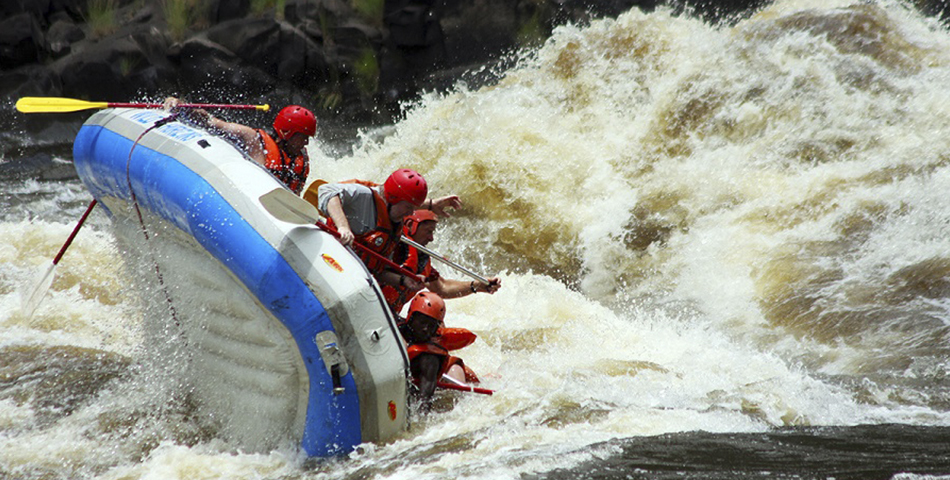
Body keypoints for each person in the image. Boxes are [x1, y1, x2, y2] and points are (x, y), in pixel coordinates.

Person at [316, 168, 460, 283]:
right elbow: (326, 190)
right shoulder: (364, 196)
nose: (412, 213)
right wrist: (343, 227)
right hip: (327, 258)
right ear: (392, 198)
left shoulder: (394, 225)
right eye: (408, 207)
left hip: (351, 276)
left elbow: (379, 271)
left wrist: (403, 281)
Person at [163, 97, 316, 194]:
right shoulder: (254, 139)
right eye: (302, 137)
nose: (306, 143)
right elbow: (212, 122)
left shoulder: (302, 159)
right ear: (286, 132)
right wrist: (182, 106)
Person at [382, 209, 501, 316]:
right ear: (410, 225)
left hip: (388, 316)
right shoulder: (388, 247)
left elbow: (442, 288)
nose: (431, 238)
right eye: (429, 231)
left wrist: (476, 285)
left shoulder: (423, 263)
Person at [400, 291, 478, 410]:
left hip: (446, 372)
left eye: (431, 325)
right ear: (411, 317)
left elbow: (425, 400)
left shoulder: (431, 357)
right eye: (422, 322)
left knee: (457, 388)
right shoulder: (396, 327)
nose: (425, 329)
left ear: (437, 327)